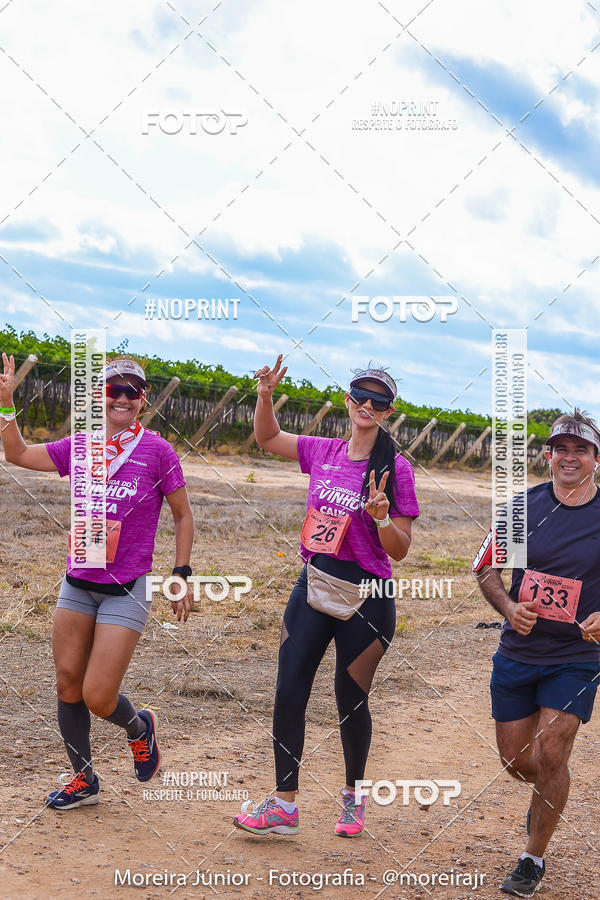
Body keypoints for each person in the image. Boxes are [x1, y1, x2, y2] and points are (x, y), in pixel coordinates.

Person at [233, 356, 419, 838]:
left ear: (389, 411)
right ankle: (283, 806)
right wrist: (265, 396)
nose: (367, 405)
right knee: (289, 689)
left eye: (378, 401)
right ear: (347, 399)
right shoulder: (323, 451)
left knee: (350, 698)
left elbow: (399, 550)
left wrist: (380, 518)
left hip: (368, 598)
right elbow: (269, 439)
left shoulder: (396, 469)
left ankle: (353, 798)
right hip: (313, 584)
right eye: (360, 395)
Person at [0, 353, 194, 810]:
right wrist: (6, 405)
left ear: (142, 401)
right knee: (68, 684)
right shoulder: (81, 446)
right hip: (78, 582)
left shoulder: (158, 451)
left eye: (132, 391)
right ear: (99, 397)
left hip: (128, 587)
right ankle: (83, 780)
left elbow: (183, 515)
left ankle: (140, 727)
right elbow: (17, 454)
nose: (122, 397)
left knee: (98, 695)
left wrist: (181, 574)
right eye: (113, 389)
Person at [473, 410, 600, 897]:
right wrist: (507, 607)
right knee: (517, 761)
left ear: (595, 460)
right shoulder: (521, 509)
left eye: (581, 449)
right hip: (519, 653)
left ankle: (532, 858)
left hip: (576, 656)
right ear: (548, 455)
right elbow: (484, 568)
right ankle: (546, 790)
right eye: (560, 448)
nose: (569, 457)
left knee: (552, 750)